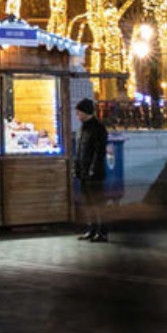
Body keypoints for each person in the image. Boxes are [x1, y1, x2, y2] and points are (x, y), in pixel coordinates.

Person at [73, 98, 110, 242]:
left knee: (97, 202)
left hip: (94, 174)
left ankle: (102, 231)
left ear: (86, 112)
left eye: (79, 112)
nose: (77, 115)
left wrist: (93, 170)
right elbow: (80, 150)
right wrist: (78, 168)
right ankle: (92, 229)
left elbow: (99, 152)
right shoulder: (83, 128)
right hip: (84, 172)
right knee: (88, 202)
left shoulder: (98, 128)